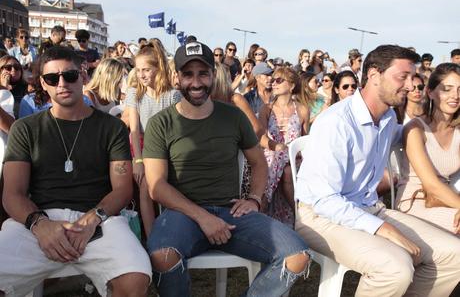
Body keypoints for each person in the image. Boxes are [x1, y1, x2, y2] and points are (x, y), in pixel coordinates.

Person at [143, 40, 310, 297]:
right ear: (177, 78)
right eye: (188, 74)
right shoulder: (161, 123)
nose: (196, 82)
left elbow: (258, 162)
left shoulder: (232, 116)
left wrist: (254, 198)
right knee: (162, 256)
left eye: (203, 73)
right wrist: (203, 217)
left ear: (213, 75)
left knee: (297, 256)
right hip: (182, 214)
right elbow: (156, 186)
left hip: (232, 211)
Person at [295, 44, 460, 296]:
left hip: (370, 208)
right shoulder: (336, 122)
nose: (409, 85)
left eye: (412, 78)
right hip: (320, 217)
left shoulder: (388, 119)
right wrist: (381, 228)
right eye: (402, 77)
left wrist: (442, 120)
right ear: (373, 75)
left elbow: (411, 136)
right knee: (396, 268)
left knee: (455, 255)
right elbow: (323, 200)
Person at [0, 46, 151, 297]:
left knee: (135, 280)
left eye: (69, 76)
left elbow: (122, 189)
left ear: (82, 75)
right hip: (36, 221)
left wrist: (91, 220)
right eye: (52, 78)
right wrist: (41, 225)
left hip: (100, 220)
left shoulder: (111, 127)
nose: (62, 83)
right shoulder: (25, 128)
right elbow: (12, 194)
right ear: (43, 84)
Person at [396, 63, 460, 235]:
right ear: (430, 92)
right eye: (447, 89)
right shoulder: (415, 129)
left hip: (448, 200)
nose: (455, 95)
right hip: (416, 202)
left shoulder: (458, 130)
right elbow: (431, 185)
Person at [125, 41, 181, 237]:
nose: (141, 74)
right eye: (138, 70)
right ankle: (151, 238)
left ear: (158, 68)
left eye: (146, 69)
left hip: (168, 149)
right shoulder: (134, 93)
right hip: (142, 148)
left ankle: (170, 233)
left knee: (169, 188)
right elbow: (133, 130)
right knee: (145, 187)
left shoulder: (173, 96)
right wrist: (138, 160)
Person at [259, 67, 309, 226]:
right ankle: (299, 217)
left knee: (287, 167)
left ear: (292, 85)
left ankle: (264, 200)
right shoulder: (266, 109)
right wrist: (276, 146)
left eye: (279, 80)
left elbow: (306, 140)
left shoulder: (302, 110)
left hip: (295, 158)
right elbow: (260, 138)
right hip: (271, 154)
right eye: (273, 80)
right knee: (284, 168)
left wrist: (290, 151)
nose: (273, 83)